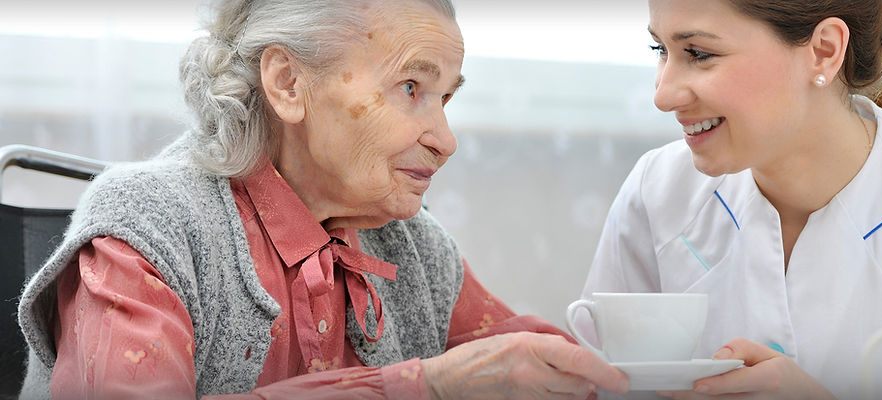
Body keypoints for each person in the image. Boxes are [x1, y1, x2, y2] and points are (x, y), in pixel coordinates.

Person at [17, 0, 630, 398]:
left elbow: (536, 365)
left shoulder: (411, 243)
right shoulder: (146, 232)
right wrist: (425, 387)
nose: (445, 141)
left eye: (446, 98)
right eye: (411, 86)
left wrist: (688, 377)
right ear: (288, 83)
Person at [577, 0, 882, 399]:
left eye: (698, 53)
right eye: (661, 49)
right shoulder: (657, 192)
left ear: (823, 51)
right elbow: (600, 382)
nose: (663, 94)